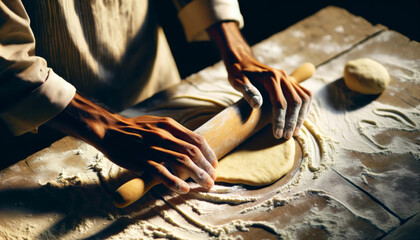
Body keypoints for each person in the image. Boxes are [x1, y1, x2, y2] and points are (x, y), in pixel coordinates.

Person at [0, 0, 311, 194]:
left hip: (152, 81)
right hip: (45, 123)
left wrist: (238, 49)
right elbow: (6, 62)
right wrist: (106, 127)